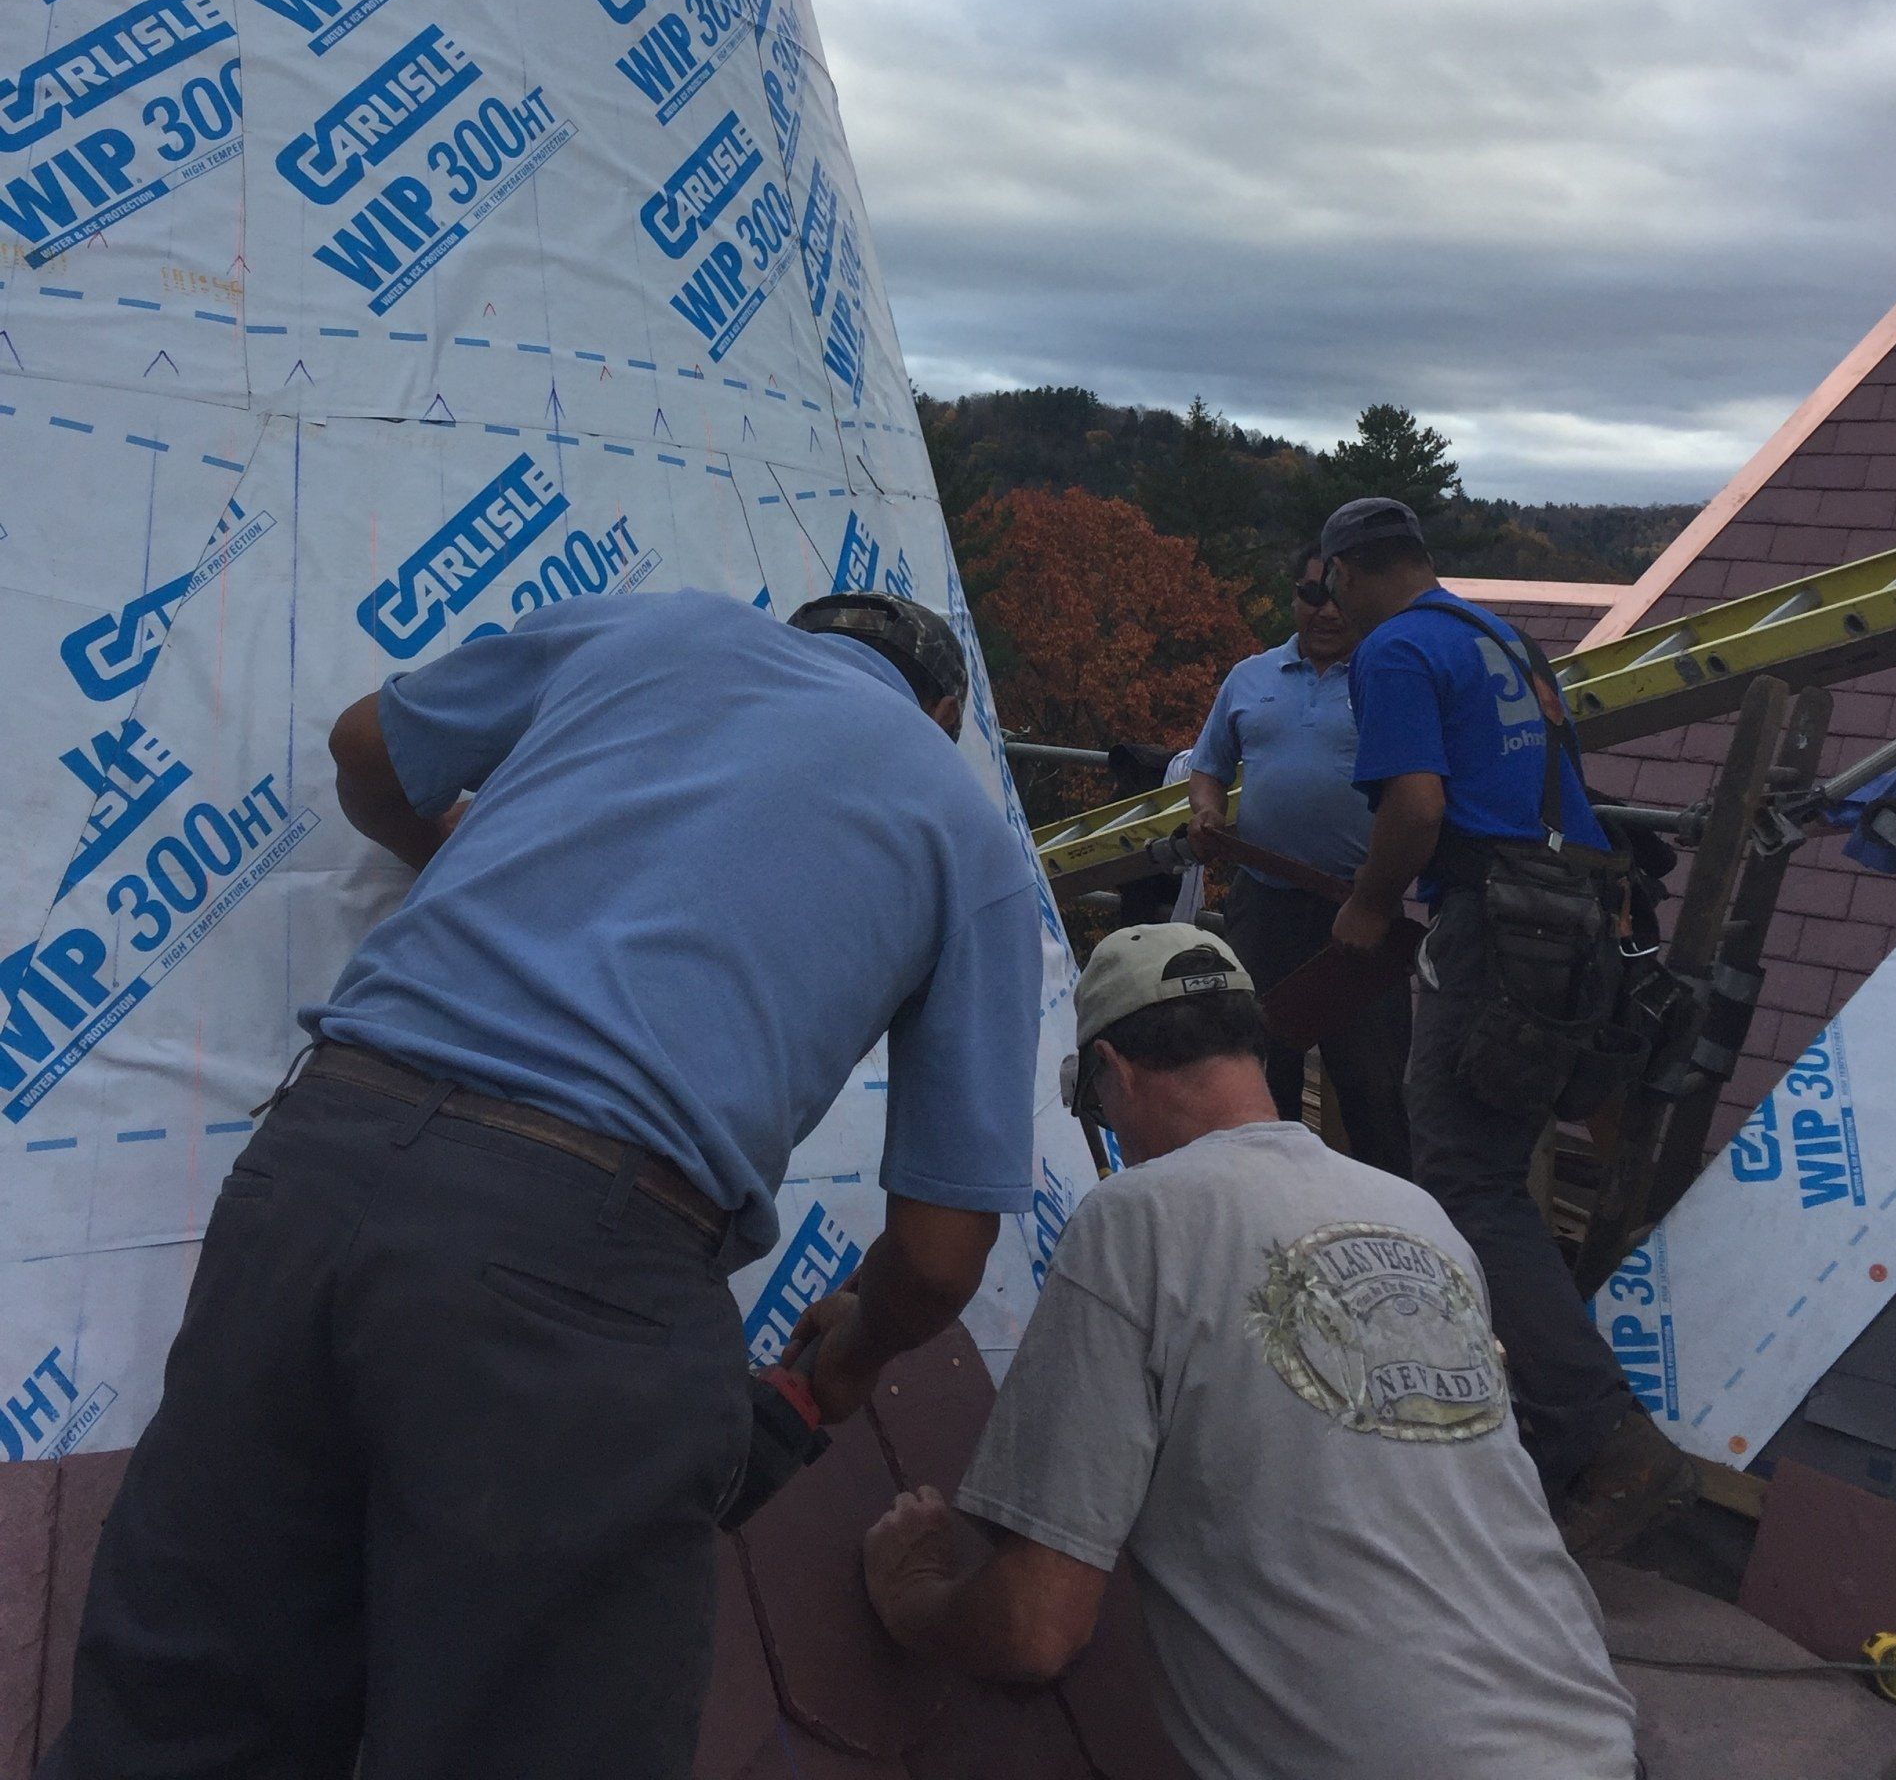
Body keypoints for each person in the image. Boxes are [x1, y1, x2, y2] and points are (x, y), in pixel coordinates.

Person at [41, 587, 1041, 1780]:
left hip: (311, 1171)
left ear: (794, 638)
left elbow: (367, 749)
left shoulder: (659, 628)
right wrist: (861, 1347)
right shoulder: (964, 827)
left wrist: (462, 841)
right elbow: (937, 1255)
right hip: (582, 1275)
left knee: (176, 1724)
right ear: (940, 712)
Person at [860, 923, 1640, 1780]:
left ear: (1114, 1072)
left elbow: (1034, 1630)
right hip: (1594, 1738)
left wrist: (915, 1603)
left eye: (1095, 1106)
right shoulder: (1420, 1217)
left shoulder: (1138, 1217)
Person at [1317, 496, 1695, 1556]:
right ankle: (1542, 1416)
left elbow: (1420, 807)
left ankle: (1602, 1435)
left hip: (1496, 923)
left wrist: (1370, 903)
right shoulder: (1503, 638)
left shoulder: (1393, 649)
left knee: (1469, 1172)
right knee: (1502, 1154)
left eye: (1327, 584)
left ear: (1345, 574)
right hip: (1571, 915)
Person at [1187, 547, 1411, 1172]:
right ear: (1293, 598)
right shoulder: (1249, 677)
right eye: (1313, 595)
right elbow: (1209, 766)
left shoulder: (1388, 680)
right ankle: (1270, 1212)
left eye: (1339, 596)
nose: (1326, 611)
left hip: (1361, 909)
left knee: (1373, 1085)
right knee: (1258, 1074)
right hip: (1263, 903)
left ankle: (1393, 1220)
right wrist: (1207, 811)